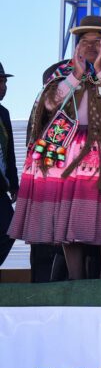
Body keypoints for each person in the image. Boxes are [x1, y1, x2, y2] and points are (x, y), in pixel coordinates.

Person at [8, 16, 101, 279]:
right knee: (68, 214)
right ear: (76, 47)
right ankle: (75, 279)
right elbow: (49, 105)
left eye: (96, 42)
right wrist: (75, 75)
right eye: (84, 42)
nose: (90, 47)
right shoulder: (62, 73)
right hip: (66, 152)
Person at [0, 64, 18, 267]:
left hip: (1, 186)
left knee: (10, 227)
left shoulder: (3, 113)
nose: (3, 86)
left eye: (4, 81)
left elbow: (10, 151)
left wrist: (14, 183)